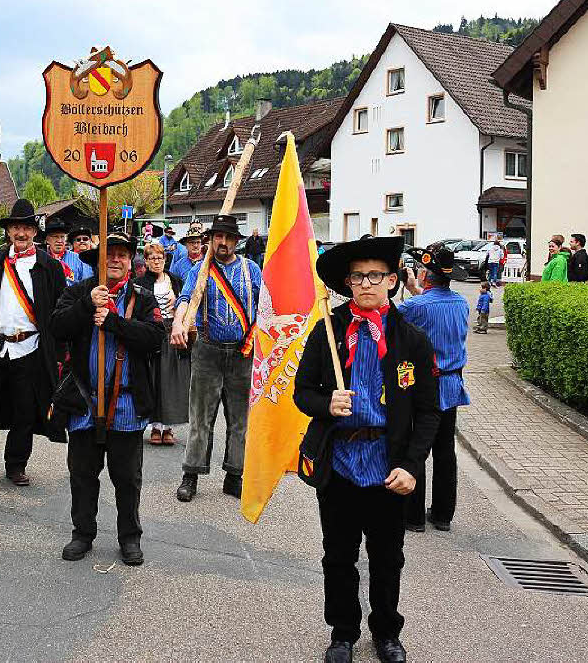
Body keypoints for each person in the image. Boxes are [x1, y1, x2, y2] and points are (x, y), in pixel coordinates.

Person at [295, 236, 439, 663]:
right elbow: (302, 391)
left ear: (393, 281)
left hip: (387, 467)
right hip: (339, 463)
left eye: (375, 276)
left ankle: (386, 632)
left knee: (387, 558)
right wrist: (326, 403)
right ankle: (342, 633)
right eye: (357, 277)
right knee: (338, 555)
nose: (365, 284)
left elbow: (429, 412)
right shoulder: (327, 329)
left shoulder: (411, 340)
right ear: (348, 283)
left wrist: (412, 465)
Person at [50, 232, 164, 566]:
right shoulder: (76, 293)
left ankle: (130, 537)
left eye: (121, 255)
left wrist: (114, 322)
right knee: (82, 475)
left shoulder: (143, 299)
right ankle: (82, 534)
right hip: (85, 404)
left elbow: (155, 338)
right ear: (97, 262)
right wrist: (88, 306)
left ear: (131, 262)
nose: (115, 259)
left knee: (128, 479)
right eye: (108, 255)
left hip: (127, 405)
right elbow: (57, 327)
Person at [0, 199, 67, 487]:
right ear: (9, 231)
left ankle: (16, 466)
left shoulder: (49, 267)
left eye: (26, 227)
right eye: (15, 227)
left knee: (25, 411)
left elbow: (60, 310)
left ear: (35, 232)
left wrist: (60, 352)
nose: (21, 233)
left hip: (31, 348)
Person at [170, 215, 263, 502]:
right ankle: (191, 475)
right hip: (207, 352)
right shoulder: (200, 269)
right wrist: (178, 323)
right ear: (211, 240)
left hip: (242, 353)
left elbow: (267, 306)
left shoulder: (252, 269)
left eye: (228, 237)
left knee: (239, 420)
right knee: (200, 418)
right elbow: (185, 299)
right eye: (218, 237)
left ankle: (235, 476)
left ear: (237, 241)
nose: (222, 243)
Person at [399, 248, 470, 534]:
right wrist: (417, 289)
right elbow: (431, 307)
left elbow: (394, 315)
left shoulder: (416, 306)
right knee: (445, 451)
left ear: (426, 274)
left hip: (425, 386)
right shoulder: (462, 303)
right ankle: (442, 515)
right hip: (452, 384)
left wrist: (409, 288)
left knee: (417, 448)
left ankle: (413, 516)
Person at [135, 242, 189, 446]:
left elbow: (188, 303)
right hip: (152, 332)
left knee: (171, 380)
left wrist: (178, 305)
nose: (156, 261)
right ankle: (155, 427)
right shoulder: (140, 283)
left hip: (172, 332)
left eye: (160, 258)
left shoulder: (176, 281)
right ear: (146, 261)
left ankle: (169, 427)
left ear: (165, 260)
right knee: (154, 379)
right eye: (152, 258)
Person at [43, 216, 92, 287]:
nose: (59, 241)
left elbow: (87, 284)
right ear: (47, 240)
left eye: (62, 237)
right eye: (55, 237)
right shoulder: (41, 258)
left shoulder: (79, 259)